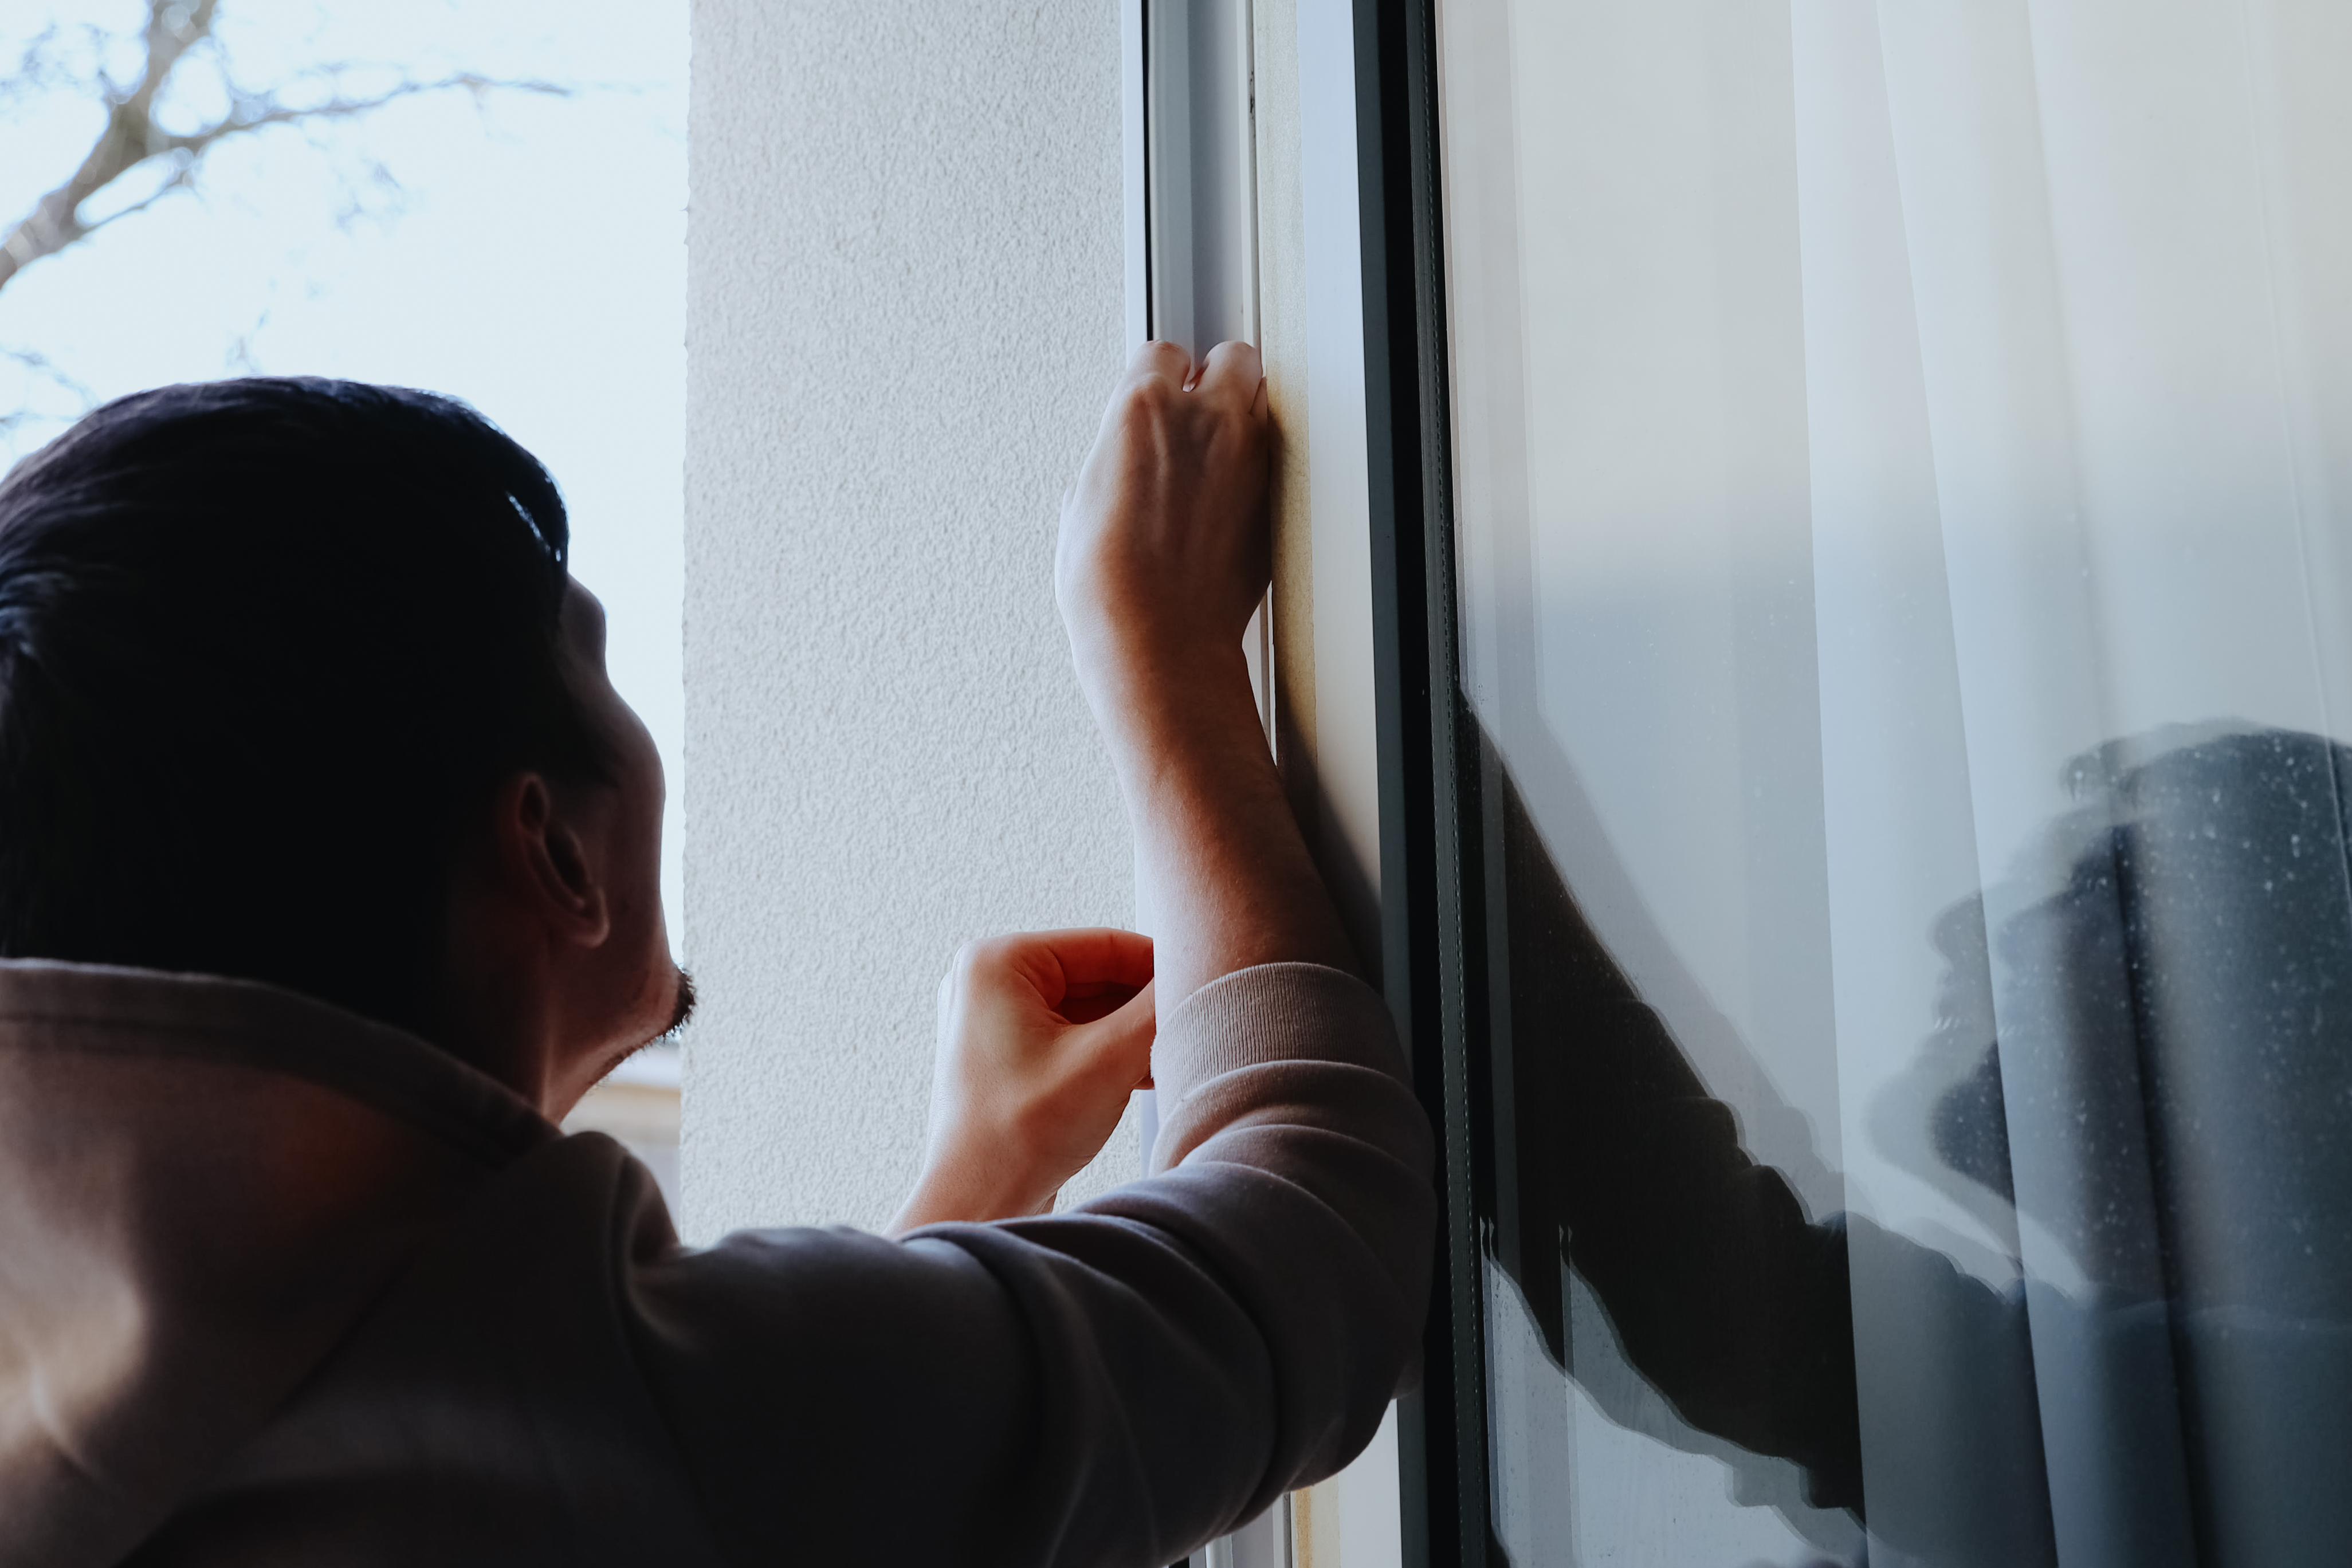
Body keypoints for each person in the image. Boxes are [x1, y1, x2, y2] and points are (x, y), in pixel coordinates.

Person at [0, 342, 1435, 1566]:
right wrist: (1162, 653)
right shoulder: (586, 1412)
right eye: (597, 662)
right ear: (552, 852)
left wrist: (977, 1191)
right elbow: (1314, 1258)